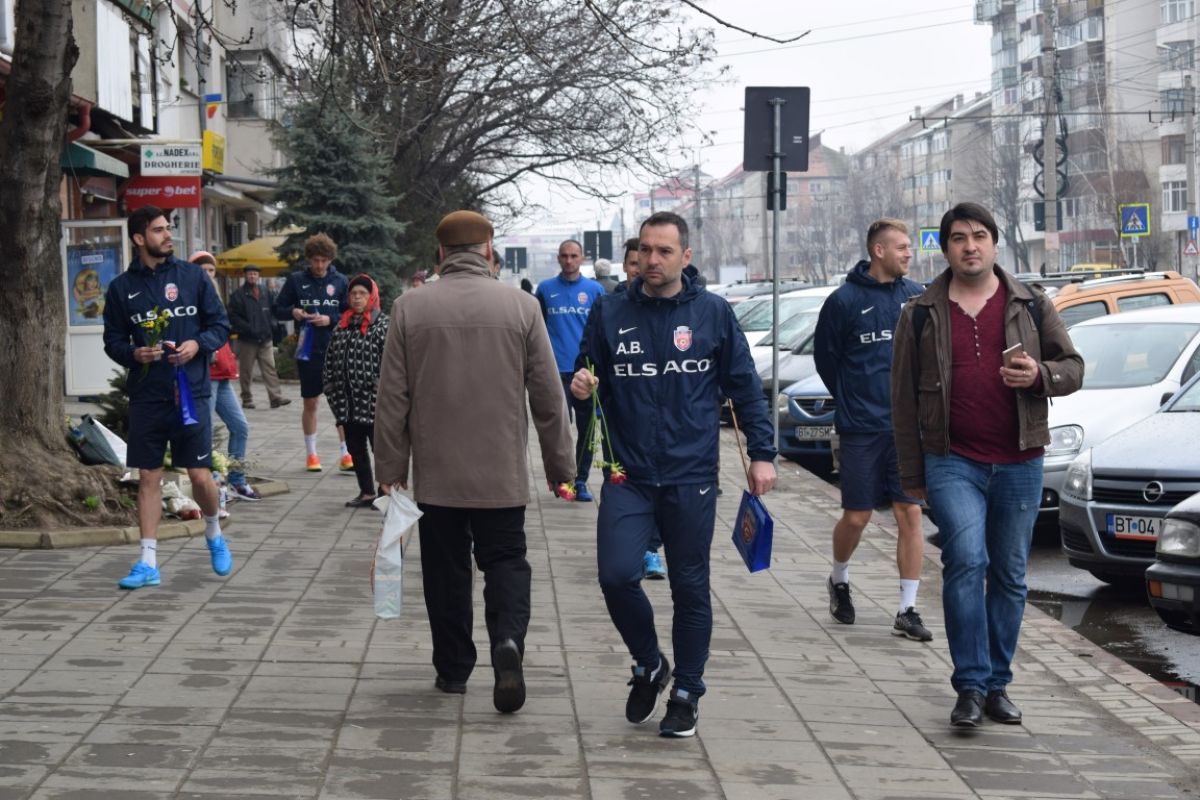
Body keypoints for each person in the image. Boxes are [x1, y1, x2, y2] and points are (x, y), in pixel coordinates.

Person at [571, 211, 777, 738]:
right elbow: (587, 375)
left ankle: (687, 691)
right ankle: (649, 663)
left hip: (691, 473)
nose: (652, 260)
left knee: (689, 585)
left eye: (664, 251)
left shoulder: (712, 312)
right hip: (628, 473)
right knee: (616, 575)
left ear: (685, 256)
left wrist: (762, 454)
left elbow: (745, 388)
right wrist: (581, 387)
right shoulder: (610, 310)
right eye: (645, 250)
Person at [891, 202, 1083, 728]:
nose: (970, 246)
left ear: (994, 243)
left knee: (1010, 575)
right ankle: (970, 686)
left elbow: (1073, 367)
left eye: (979, 236)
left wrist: (1040, 375)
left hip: (1020, 461)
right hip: (952, 460)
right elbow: (902, 401)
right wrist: (912, 475)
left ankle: (998, 684)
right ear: (945, 248)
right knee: (966, 560)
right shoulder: (920, 313)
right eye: (959, 238)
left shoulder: (1031, 303)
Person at [374, 210, 575, 714]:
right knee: (506, 561)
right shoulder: (522, 306)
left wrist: (390, 470)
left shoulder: (409, 308)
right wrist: (561, 468)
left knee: (445, 571)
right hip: (501, 473)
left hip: (437, 475)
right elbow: (548, 396)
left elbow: (392, 397)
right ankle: (507, 639)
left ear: (441, 253)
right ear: (488, 251)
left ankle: (453, 669)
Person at [101, 206, 232, 589]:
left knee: (200, 476)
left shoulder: (192, 277)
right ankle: (147, 562)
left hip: (192, 393)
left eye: (167, 228)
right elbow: (112, 340)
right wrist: (134, 354)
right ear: (139, 238)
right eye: (158, 230)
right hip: (148, 397)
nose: (167, 234)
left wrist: (197, 344)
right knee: (148, 476)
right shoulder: (121, 288)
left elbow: (220, 325)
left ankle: (213, 531)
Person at [813, 219, 928, 640]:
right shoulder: (843, 301)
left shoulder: (916, 296)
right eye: (901, 247)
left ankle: (907, 609)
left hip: (907, 429)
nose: (908, 253)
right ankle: (839, 578)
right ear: (878, 251)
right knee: (857, 516)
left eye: (910, 246)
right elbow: (826, 360)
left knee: (909, 512)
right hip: (861, 427)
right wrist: (853, 397)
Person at [610, 236, 666, 580]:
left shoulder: (672, 309)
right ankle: (628, 547)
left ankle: (651, 550)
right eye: (634, 262)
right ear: (626, 266)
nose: (639, 268)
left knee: (658, 494)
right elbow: (592, 361)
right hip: (623, 433)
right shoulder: (610, 310)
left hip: (665, 433)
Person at [273, 233, 351, 472]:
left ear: (330, 259)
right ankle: (312, 454)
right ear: (309, 259)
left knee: (341, 403)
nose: (319, 265)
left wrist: (330, 319)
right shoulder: (296, 280)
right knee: (311, 402)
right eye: (315, 260)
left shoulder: (340, 281)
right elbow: (278, 308)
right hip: (308, 351)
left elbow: (350, 313)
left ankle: (346, 453)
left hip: (336, 349)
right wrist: (293, 312)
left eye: (324, 261)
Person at [536, 239, 606, 501]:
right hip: (555, 372)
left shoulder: (595, 290)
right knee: (559, 431)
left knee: (587, 430)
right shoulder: (545, 289)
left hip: (585, 373)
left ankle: (581, 481)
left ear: (582, 258)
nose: (569, 260)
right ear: (558, 258)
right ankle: (561, 479)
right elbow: (537, 329)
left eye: (574, 256)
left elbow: (603, 331)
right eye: (564, 256)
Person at [193, 252, 260, 504]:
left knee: (240, 426)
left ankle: (236, 480)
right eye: (203, 270)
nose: (208, 275)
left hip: (222, 376)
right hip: (206, 375)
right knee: (206, 431)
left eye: (211, 270)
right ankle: (212, 484)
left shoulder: (215, 299)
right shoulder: (192, 300)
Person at [322, 274, 388, 508]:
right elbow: (329, 360)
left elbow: (392, 362)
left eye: (362, 293)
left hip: (374, 403)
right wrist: (330, 388)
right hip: (346, 403)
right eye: (353, 294)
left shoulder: (382, 325)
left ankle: (385, 492)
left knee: (381, 450)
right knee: (355, 448)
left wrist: (379, 386)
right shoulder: (342, 326)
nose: (357, 298)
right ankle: (366, 492)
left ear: (372, 296)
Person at [227, 263, 289, 409]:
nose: (252, 276)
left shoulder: (265, 292)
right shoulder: (238, 295)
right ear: (245, 275)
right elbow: (233, 317)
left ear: (258, 276)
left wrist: (272, 325)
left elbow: (273, 310)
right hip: (247, 339)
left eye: (255, 274)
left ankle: (276, 398)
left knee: (270, 368)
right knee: (246, 371)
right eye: (250, 274)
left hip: (265, 338)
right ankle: (247, 398)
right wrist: (248, 328)